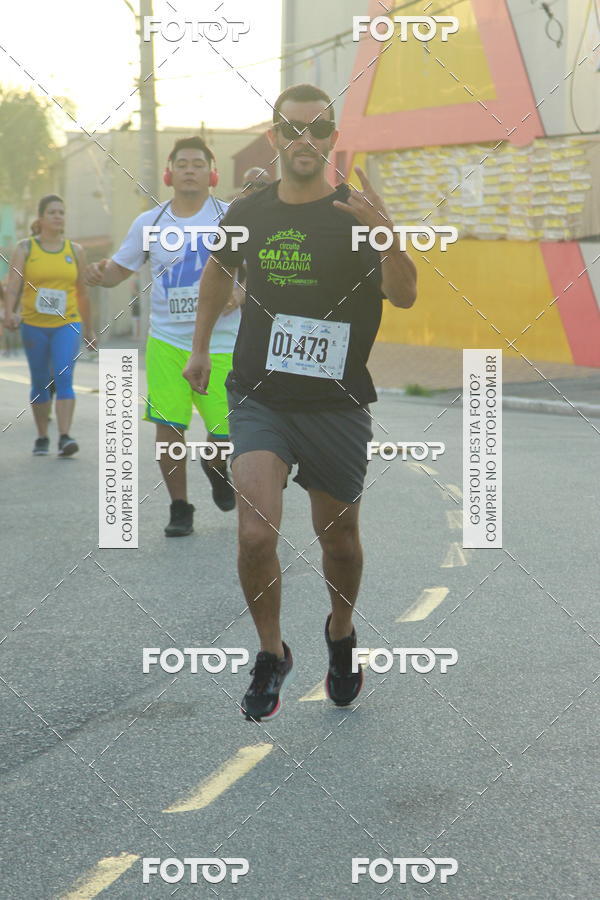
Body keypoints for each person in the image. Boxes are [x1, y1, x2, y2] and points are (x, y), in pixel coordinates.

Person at [183, 83, 417, 721]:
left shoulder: (356, 213)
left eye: (317, 130)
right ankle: (270, 653)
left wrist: (387, 235)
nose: (304, 141)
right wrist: (200, 349)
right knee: (256, 533)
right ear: (276, 137)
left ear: (332, 138)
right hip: (261, 396)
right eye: (293, 130)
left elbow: (405, 296)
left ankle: (340, 635)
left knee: (338, 540)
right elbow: (216, 275)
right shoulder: (250, 210)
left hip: (337, 405)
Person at [85, 136, 243, 537]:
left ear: (212, 171)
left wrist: (240, 292)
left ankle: (214, 464)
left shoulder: (230, 217)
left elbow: (255, 270)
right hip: (168, 343)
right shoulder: (149, 223)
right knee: (168, 426)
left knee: (228, 430)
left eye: (198, 162)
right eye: (182, 163)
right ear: (170, 172)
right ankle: (180, 507)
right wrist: (101, 274)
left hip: (223, 342)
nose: (190, 168)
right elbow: (120, 269)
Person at [3, 195, 96, 456]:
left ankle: (65, 436)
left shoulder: (75, 251)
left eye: (62, 212)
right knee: (41, 381)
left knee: (64, 377)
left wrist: (89, 329)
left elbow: (83, 293)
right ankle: (42, 435)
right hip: (34, 325)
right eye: (53, 212)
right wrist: (9, 312)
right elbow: (13, 285)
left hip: (67, 323)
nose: (58, 216)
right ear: (41, 218)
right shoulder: (26, 248)